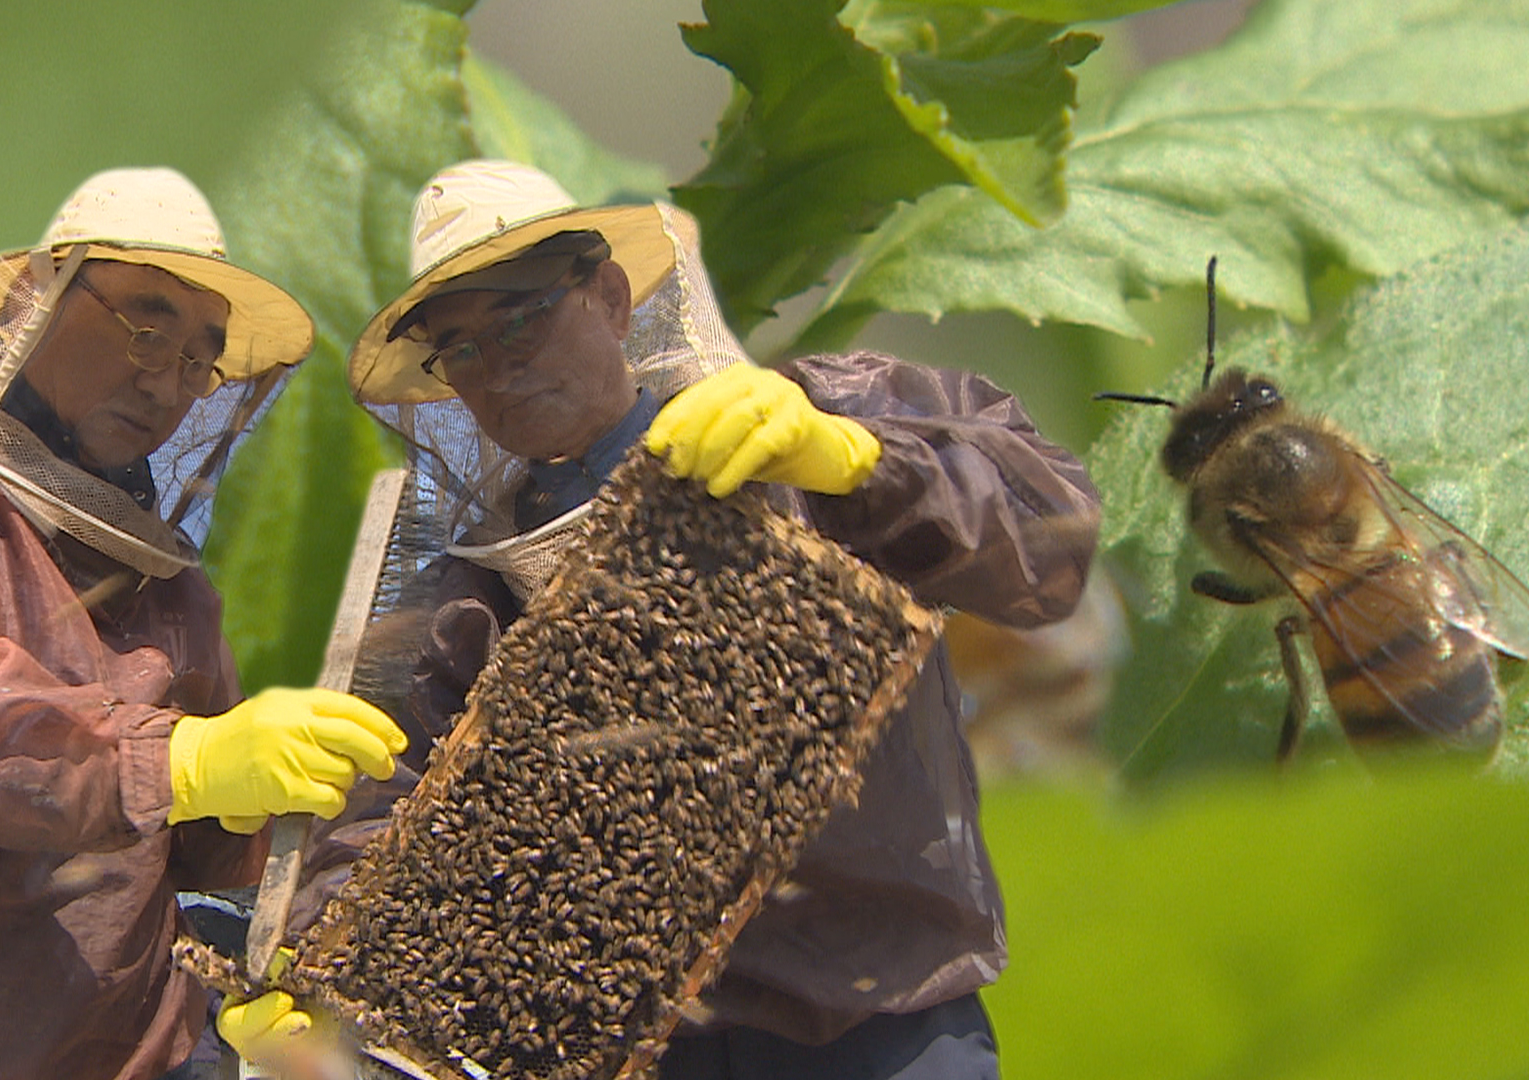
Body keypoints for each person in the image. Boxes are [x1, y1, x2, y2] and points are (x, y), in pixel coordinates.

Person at [223, 159, 1102, 1080]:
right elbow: (385, 808)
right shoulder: (466, 598)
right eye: (463, 353)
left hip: (880, 1012)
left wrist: (858, 460)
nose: (497, 372)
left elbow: (1052, 537)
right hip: (638, 1048)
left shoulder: (809, 415)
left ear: (607, 295)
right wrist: (327, 966)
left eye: (518, 321)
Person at [0, 168, 408, 1080]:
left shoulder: (166, 584)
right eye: (147, 324)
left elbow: (195, 843)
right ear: (38, 298)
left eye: (198, 359)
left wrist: (270, 870)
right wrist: (183, 761)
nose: (167, 380)